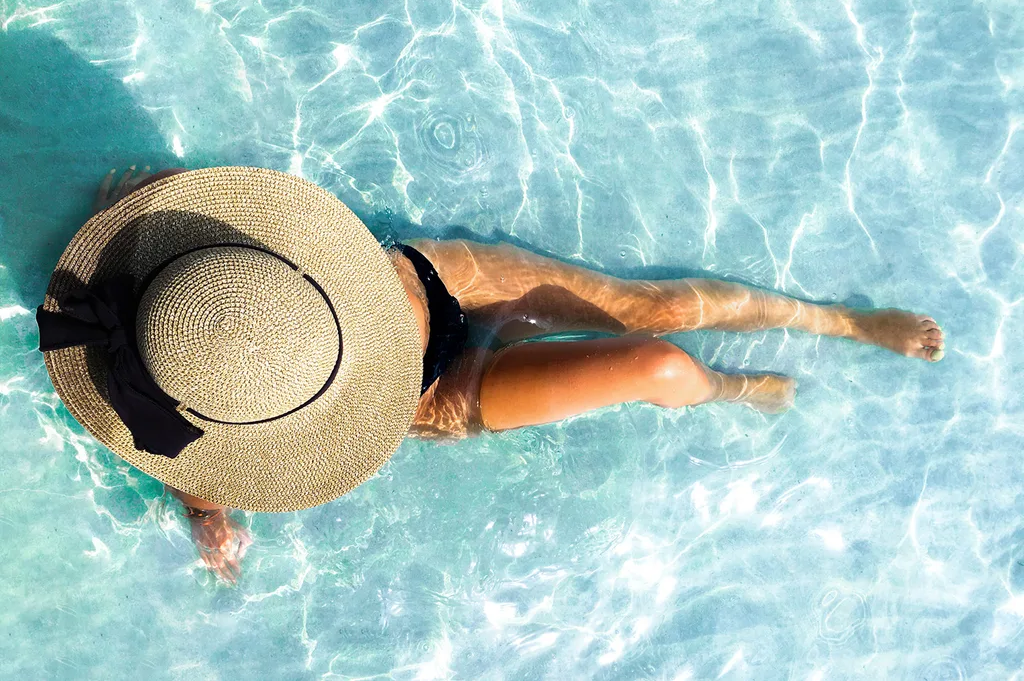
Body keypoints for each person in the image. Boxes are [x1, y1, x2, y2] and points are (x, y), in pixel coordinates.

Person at [39, 166, 944, 583]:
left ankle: (838, 322)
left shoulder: (206, 292)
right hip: (426, 395)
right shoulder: (186, 365)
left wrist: (132, 205)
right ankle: (735, 390)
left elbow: (159, 213)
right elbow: (198, 459)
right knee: (663, 363)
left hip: (421, 279)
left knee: (655, 309)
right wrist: (213, 520)